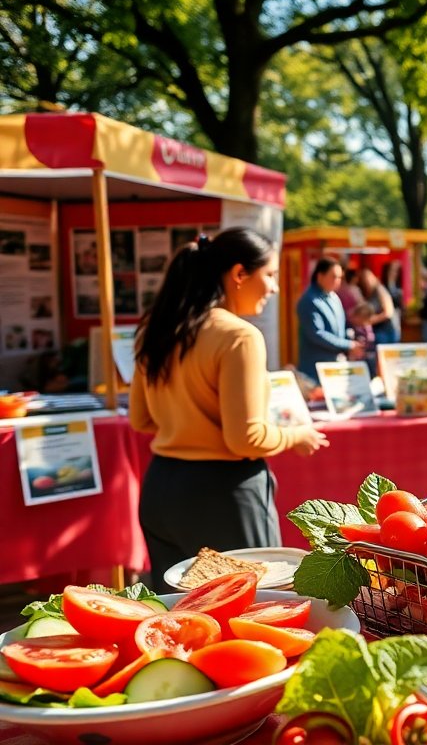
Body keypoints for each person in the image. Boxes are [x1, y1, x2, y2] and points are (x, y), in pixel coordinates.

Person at [130, 229, 328, 590]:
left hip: (161, 490)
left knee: (175, 620)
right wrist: (298, 434)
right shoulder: (239, 336)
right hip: (224, 495)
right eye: (269, 275)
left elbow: (141, 419)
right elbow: (246, 438)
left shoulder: (158, 330)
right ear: (239, 274)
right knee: (249, 615)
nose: (274, 288)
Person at [296, 256, 363, 381]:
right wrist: (347, 345)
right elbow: (317, 334)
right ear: (320, 276)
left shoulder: (333, 297)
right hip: (315, 370)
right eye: (333, 276)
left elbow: (342, 327)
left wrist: (351, 339)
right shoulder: (309, 300)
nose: (337, 281)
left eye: (339, 277)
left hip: (335, 365)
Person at [356, 268, 399, 346]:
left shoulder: (380, 290)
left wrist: (370, 321)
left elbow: (388, 312)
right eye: (364, 280)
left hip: (387, 330)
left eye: (367, 279)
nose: (367, 282)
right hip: (378, 330)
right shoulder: (368, 293)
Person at [348, 303, 377, 376]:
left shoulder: (365, 329)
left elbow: (368, 340)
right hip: (356, 354)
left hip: (365, 354)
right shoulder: (352, 326)